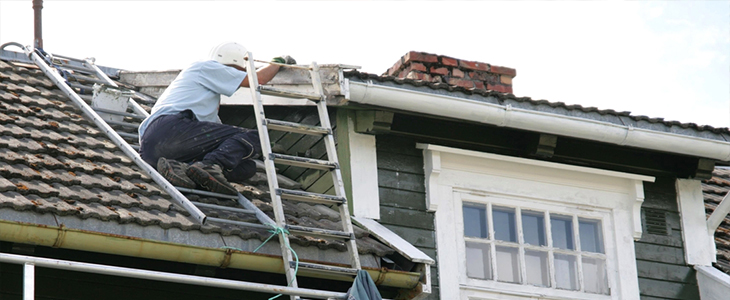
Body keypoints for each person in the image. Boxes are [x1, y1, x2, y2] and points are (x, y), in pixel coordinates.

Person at [137, 42, 295, 195]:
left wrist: (266, 147)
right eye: (238, 71)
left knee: (247, 167)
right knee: (258, 135)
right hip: (170, 129)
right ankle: (208, 166)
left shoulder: (204, 103)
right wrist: (278, 61)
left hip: (153, 151)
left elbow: (224, 140)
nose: (237, 76)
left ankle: (180, 168)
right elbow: (258, 78)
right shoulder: (204, 67)